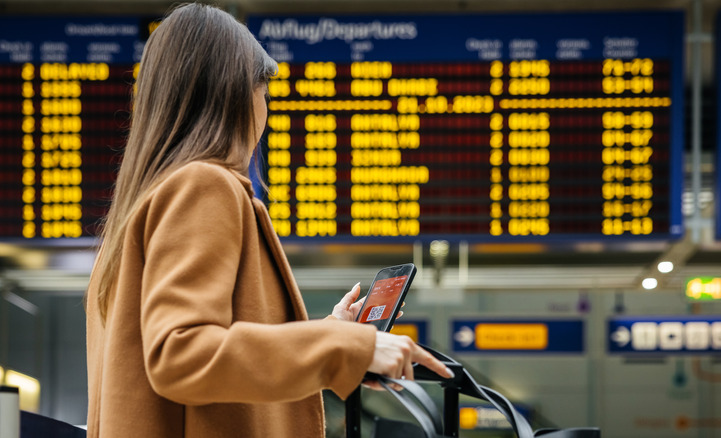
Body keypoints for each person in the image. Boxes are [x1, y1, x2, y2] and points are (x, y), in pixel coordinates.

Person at [84, 3, 453, 438]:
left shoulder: (130, 219)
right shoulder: (204, 185)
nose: (266, 110)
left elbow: (196, 359)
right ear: (235, 94)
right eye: (264, 93)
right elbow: (182, 354)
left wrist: (328, 336)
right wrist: (345, 346)